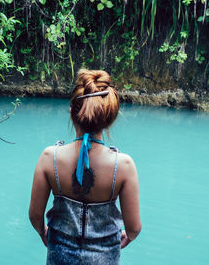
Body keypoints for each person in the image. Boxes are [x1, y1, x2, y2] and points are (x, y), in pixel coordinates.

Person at [29, 69, 141, 264]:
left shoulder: (49, 158)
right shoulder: (123, 165)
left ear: (72, 113)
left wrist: (43, 232)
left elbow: (35, 215)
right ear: (109, 119)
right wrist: (127, 237)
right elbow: (134, 228)